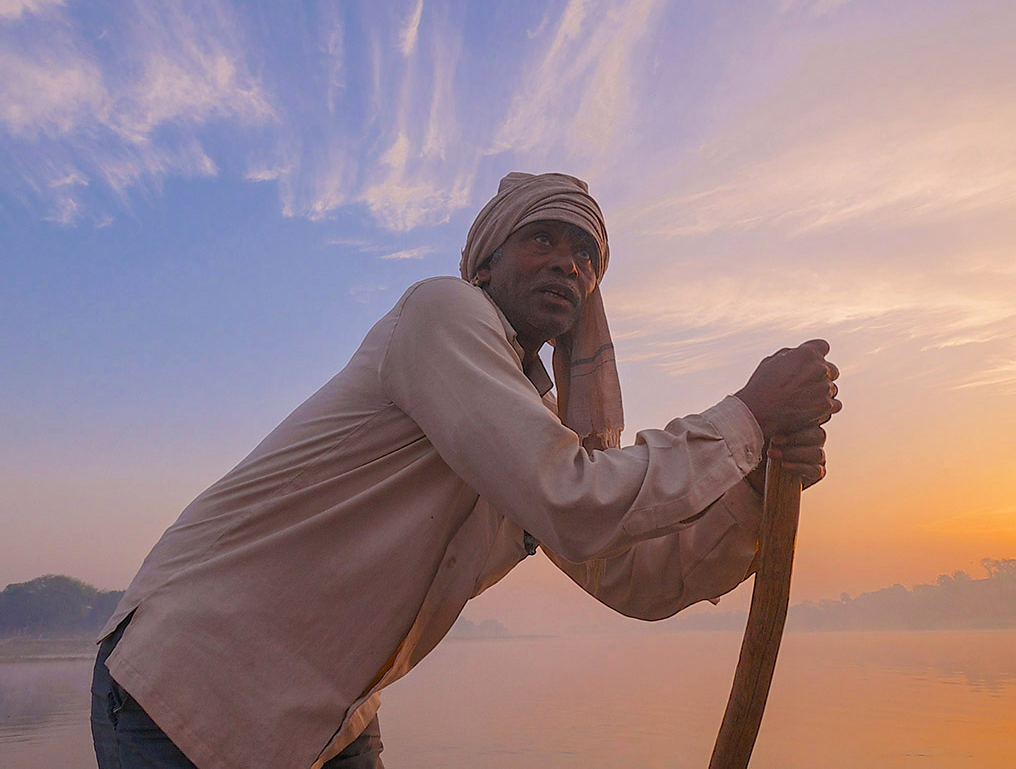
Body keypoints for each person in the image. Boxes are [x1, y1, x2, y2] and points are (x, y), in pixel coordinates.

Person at [90, 172, 841, 768]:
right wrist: (746, 415)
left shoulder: (533, 423)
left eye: (584, 254)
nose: (567, 262)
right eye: (540, 238)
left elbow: (633, 576)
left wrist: (752, 485)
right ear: (485, 262)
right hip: (187, 684)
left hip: (327, 718)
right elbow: (574, 500)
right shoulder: (442, 314)